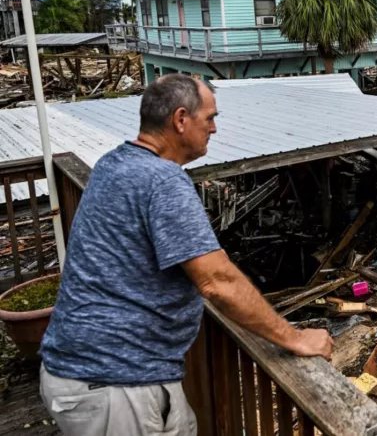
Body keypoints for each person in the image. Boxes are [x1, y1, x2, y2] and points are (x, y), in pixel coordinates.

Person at [39, 74, 333, 435]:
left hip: (90, 372)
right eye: (209, 118)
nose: (214, 129)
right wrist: (295, 338)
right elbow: (216, 281)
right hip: (114, 381)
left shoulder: (113, 163)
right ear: (180, 120)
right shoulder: (162, 180)